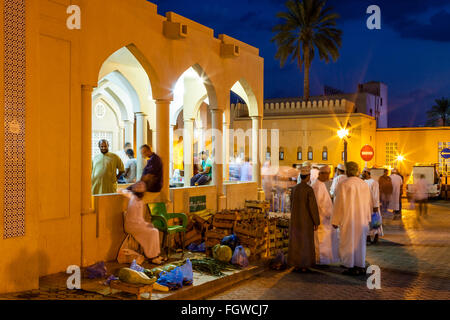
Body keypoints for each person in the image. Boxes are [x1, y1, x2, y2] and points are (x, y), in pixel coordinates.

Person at [332, 162, 372, 276]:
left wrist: (335, 220)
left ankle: (350, 265)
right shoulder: (363, 184)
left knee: (348, 242)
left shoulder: (344, 184)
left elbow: (338, 204)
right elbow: (367, 203)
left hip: (348, 219)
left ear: (348, 171)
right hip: (362, 219)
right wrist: (368, 217)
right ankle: (360, 265)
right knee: (360, 243)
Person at [119, 181, 164, 265]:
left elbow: (124, 191)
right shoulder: (135, 200)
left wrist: (146, 224)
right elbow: (136, 220)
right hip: (132, 226)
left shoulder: (137, 199)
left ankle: (156, 255)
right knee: (152, 232)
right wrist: (146, 225)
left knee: (154, 231)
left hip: (138, 224)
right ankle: (152, 257)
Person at [288, 167, 320, 273]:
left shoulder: (294, 189)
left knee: (296, 242)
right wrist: (316, 222)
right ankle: (304, 265)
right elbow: (313, 207)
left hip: (295, 220)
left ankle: (296, 264)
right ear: (307, 177)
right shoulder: (308, 189)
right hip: (306, 221)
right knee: (305, 243)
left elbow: (290, 204)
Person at [312, 165, 339, 265]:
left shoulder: (321, 184)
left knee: (326, 241)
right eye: (327, 174)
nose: (328, 177)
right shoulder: (317, 186)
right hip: (321, 219)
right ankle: (320, 260)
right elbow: (320, 204)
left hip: (326, 219)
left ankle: (324, 260)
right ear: (321, 174)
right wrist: (329, 214)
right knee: (321, 241)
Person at [362, 168, 383, 243]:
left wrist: (376, 206)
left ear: (367, 172)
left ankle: (376, 237)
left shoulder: (374, 182)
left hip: (373, 205)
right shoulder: (363, 182)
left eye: (363, 172)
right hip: (365, 205)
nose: (362, 174)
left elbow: (376, 195)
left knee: (375, 221)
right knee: (366, 221)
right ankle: (367, 237)